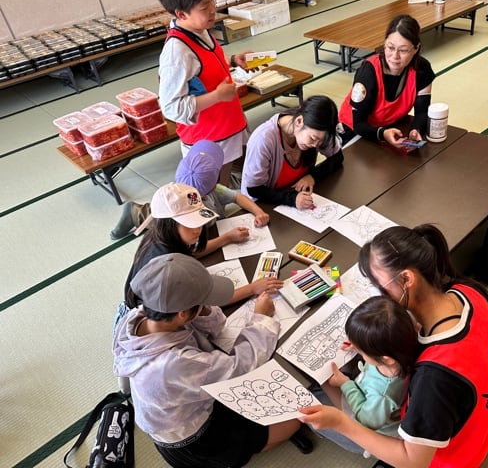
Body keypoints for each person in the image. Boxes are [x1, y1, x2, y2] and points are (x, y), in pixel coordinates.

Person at [299, 224, 488, 467]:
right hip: (486, 412)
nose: (378, 292)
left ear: (407, 278)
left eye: (380, 285)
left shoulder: (433, 377)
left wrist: (341, 423)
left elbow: (414, 462)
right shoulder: (465, 289)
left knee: (319, 396)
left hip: (457, 454)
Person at [113, 253, 310, 468]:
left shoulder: (142, 316)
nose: (207, 303)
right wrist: (261, 318)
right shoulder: (174, 364)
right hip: (194, 440)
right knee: (294, 422)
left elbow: (216, 326)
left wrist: (200, 309)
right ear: (182, 314)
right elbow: (242, 367)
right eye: (203, 301)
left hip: (185, 407)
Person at [122, 181, 281, 312]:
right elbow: (206, 302)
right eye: (190, 223)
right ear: (168, 223)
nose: (198, 229)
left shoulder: (162, 236)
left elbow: (194, 252)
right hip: (153, 313)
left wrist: (226, 238)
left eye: (199, 221)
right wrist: (252, 288)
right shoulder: (169, 267)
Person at [154, 0, 253, 185]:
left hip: (228, 128)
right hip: (209, 143)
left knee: (249, 177)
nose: (213, 9)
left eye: (211, 0)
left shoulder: (198, 30)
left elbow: (202, 65)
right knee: (218, 193)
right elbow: (171, 107)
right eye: (204, 7)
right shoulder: (176, 53)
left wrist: (233, 60)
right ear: (181, 14)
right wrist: (216, 96)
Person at [109, 140, 269, 240]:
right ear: (214, 183)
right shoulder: (189, 218)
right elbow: (195, 250)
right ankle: (135, 212)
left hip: (188, 205)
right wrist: (227, 238)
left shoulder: (214, 189)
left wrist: (258, 212)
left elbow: (237, 197)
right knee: (160, 220)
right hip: (178, 213)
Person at [321, 296, 417, 458]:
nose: (360, 351)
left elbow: (366, 420)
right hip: (371, 394)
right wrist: (360, 345)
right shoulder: (403, 342)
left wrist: (345, 384)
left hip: (372, 418)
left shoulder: (383, 395)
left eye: (363, 351)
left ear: (386, 359)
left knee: (322, 387)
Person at [337, 15, 435, 152]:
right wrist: (382, 134)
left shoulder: (422, 69)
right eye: (390, 47)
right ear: (384, 44)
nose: (395, 56)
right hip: (355, 131)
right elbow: (358, 124)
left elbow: (422, 111)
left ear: (416, 48)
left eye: (403, 50)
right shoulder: (368, 72)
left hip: (391, 127)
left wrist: (416, 129)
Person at [241, 95, 343, 209]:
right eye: (313, 138)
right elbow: (254, 189)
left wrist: (313, 177)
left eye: (320, 141)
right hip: (262, 204)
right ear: (299, 121)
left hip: (293, 193)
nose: (316, 145)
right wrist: (292, 199)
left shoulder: (318, 128)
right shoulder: (263, 139)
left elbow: (337, 157)